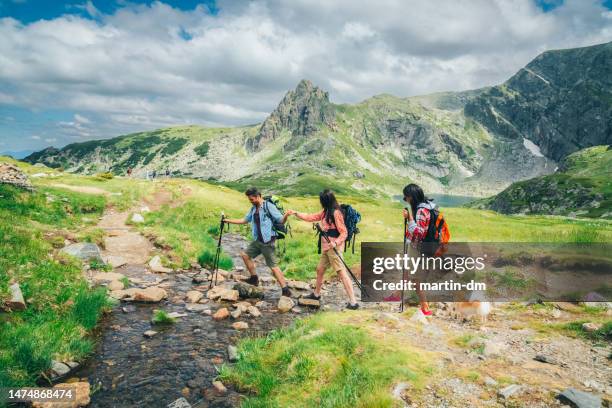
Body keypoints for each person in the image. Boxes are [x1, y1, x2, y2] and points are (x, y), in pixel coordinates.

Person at [286, 189, 359, 310]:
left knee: (341, 273)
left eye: (322, 201)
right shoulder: (326, 211)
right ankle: (316, 294)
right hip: (327, 248)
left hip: (334, 248)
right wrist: (296, 213)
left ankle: (353, 302)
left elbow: (344, 233)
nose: (321, 203)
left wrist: (335, 243)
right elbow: (312, 217)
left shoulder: (336, 213)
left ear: (326, 201)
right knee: (320, 269)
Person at [223, 187, 292, 297]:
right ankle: (254, 279)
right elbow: (244, 220)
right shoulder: (253, 208)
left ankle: (285, 290)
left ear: (258, 196)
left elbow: (280, 220)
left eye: (252, 199)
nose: (250, 201)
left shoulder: (268, 206)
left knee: (273, 266)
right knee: (245, 255)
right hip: (257, 241)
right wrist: (227, 220)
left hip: (267, 242)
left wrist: (286, 216)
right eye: (249, 199)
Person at [402, 183, 435, 316]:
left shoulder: (421, 211)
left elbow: (420, 232)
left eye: (406, 197)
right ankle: (398, 294)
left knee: (415, 278)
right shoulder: (427, 207)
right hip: (415, 247)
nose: (405, 200)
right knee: (406, 272)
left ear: (412, 197)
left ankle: (425, 306)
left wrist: (409, 218)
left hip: (418, 249)